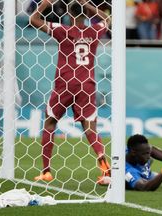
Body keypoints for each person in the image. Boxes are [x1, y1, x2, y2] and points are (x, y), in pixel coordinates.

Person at [29, 0, 112, 185]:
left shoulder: (62, 30)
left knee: (50, 123)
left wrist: (45, 3)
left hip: (65, 83)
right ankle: (105, 167)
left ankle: (46, 171)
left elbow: (33, 19)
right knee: (90, 129)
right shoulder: (94, 31)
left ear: (68, 12)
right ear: (86, 14)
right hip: (87, 84)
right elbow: (107, 18)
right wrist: (88, 5)